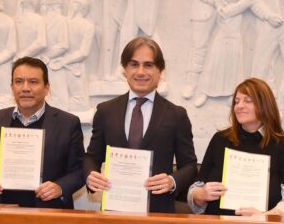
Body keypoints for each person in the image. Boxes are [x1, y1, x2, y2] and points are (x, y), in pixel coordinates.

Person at [84, 37, 198, 213]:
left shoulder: (176, 115)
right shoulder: (106, 111)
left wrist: (172, 181)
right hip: (114, 210)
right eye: (134, 64)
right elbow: (91, 157)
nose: (140, 71)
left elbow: (190, 165)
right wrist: (90, 176)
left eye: (148, 65)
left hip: (159, 212)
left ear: (160, 71)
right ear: (125, 70)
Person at [0, 57, 85, 208]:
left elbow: (79, 171)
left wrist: (59, 187)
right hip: (0, 212)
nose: (25, 88)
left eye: (33, 82)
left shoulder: (68, 123)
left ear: (46, 88)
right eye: (19, 81)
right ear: (12, 87)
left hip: (49, 214)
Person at [189, 78, 284, 217]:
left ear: (265, 105)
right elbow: (196, 188)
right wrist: (199, 195)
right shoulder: (220, 140)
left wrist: (267, 217)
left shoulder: (282, 145)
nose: (239, 106)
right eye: (236, 101)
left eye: (248, 101)